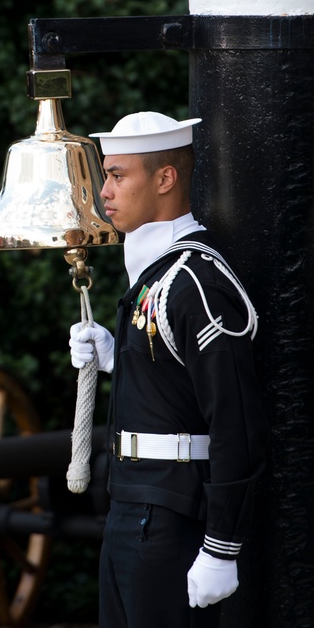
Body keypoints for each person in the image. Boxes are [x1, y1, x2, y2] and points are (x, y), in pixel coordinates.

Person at [68, 112, 269, 628]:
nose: (104, 191)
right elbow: (176, 384)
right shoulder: (158, 273)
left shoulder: (196, 281)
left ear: (165, 178)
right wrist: (119, 359)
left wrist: (221, 546)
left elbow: (236, 423)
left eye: (117, 175)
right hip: (130, 503)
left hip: (171, 517)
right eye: (106, 176)